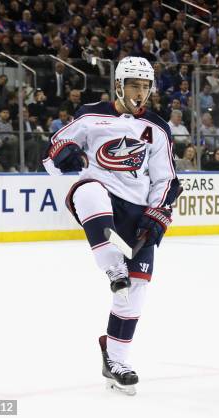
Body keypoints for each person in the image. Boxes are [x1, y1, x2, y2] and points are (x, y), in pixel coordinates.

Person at [42, 56, 180, 396]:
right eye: (134, 84)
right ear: (118, 85)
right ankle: (112, 267)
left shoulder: (158, 128)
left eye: (146, 86)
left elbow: (166, 179)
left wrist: (158, 211)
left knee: (135, 295)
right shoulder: (90, 115)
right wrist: (63, 155)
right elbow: (52, 154)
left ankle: (116, 359)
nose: (140, 92)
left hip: (137, 212)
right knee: (89, 191)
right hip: (100, 196)